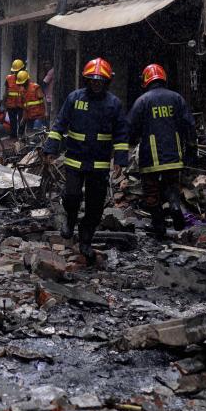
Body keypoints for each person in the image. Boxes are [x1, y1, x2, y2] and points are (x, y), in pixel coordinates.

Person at [42, 58, 129, 264]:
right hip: (74, 160)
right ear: (86, 80)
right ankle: (70, 222)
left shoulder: (114, 104)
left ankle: (85, 242)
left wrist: (120, 160)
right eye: (92, 80)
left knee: (95, 207)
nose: (96, 84)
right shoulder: (75, 98)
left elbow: (121, 134)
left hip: (98, 165)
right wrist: (50, 149)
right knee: (71, 196)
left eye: (100, 80)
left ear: (107, 82)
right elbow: (59, 125)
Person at [126, 63, 196, 239]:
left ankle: (159, 226)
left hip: (151, 156)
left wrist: (129, 143)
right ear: (163, 78)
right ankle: (174, 206)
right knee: (171, 186)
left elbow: (131, 128)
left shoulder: (142, 101)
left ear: (146, 81)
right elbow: (189, 125)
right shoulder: (177, 98)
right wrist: (191, 150)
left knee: (151, 191)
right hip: (174, 154)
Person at [3, 59, 27, 139]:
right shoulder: (8, 78)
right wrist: (4, 102)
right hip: (11, 104)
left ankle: (20, 136)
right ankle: (14, 137)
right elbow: (6, 92)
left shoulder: (26, 78)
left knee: (21, 121)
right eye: (15, 71)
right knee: (13, 122)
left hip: (21, 105)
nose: (16, 73)